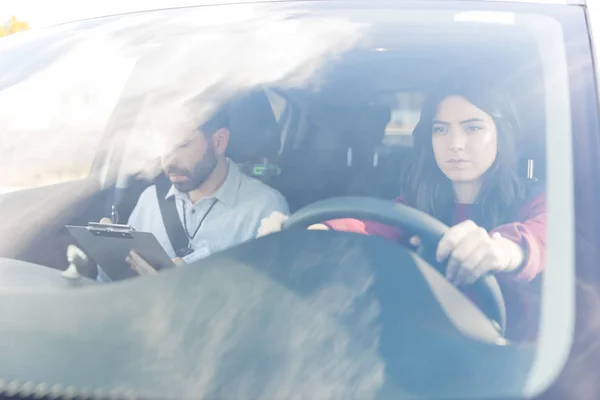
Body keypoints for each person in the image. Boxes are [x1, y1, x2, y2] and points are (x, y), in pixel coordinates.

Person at [258, 81, 546, 340]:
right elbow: (369, 228)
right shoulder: (416, 205)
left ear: (502, 134)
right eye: (440, 129)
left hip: (512, 370)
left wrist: (504, 251)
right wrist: (309, 234)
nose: (455, 144)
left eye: (473, 128)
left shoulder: (535, 203)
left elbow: (541, 239)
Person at [97, 102, 289, 282]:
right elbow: (111, 286)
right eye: (162, 147)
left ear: (218, 142)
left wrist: (182, 286)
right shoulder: (150, 200)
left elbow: (267, 300)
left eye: (182, 144)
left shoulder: (265, 209)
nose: (169, 161)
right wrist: (108, 254)